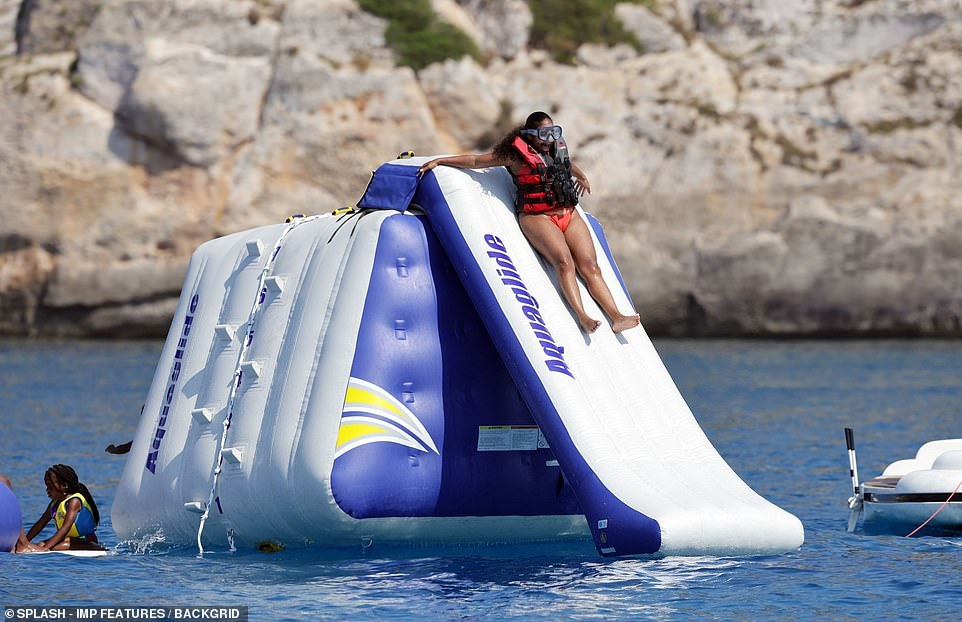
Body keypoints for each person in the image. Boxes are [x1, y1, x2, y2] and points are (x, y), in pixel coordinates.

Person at [418, 111, 641, 334]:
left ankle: (617, 316)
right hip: (538, 217)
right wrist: (440, 160)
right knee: (564, 263)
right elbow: (477, 161)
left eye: (553, 132)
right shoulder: (515, 155)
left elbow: (565, 163)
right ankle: (583, 317)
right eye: (543, 134)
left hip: (569, 215)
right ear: (530, 134)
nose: (549, 139)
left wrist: (581, 176)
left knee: (591, 266)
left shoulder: (554, 148)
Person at [18, 464, 104, 553]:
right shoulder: (54, 503)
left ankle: (94, 547)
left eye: (50, 487)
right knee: (40, 544)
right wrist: (24, 543)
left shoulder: (74, 501)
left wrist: (45, 549)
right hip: (67, 539)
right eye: (47, 486)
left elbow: (65, 528)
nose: (47, 490)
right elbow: (40, 524)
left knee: (55, 547)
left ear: (64, 485)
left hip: (86, 539)